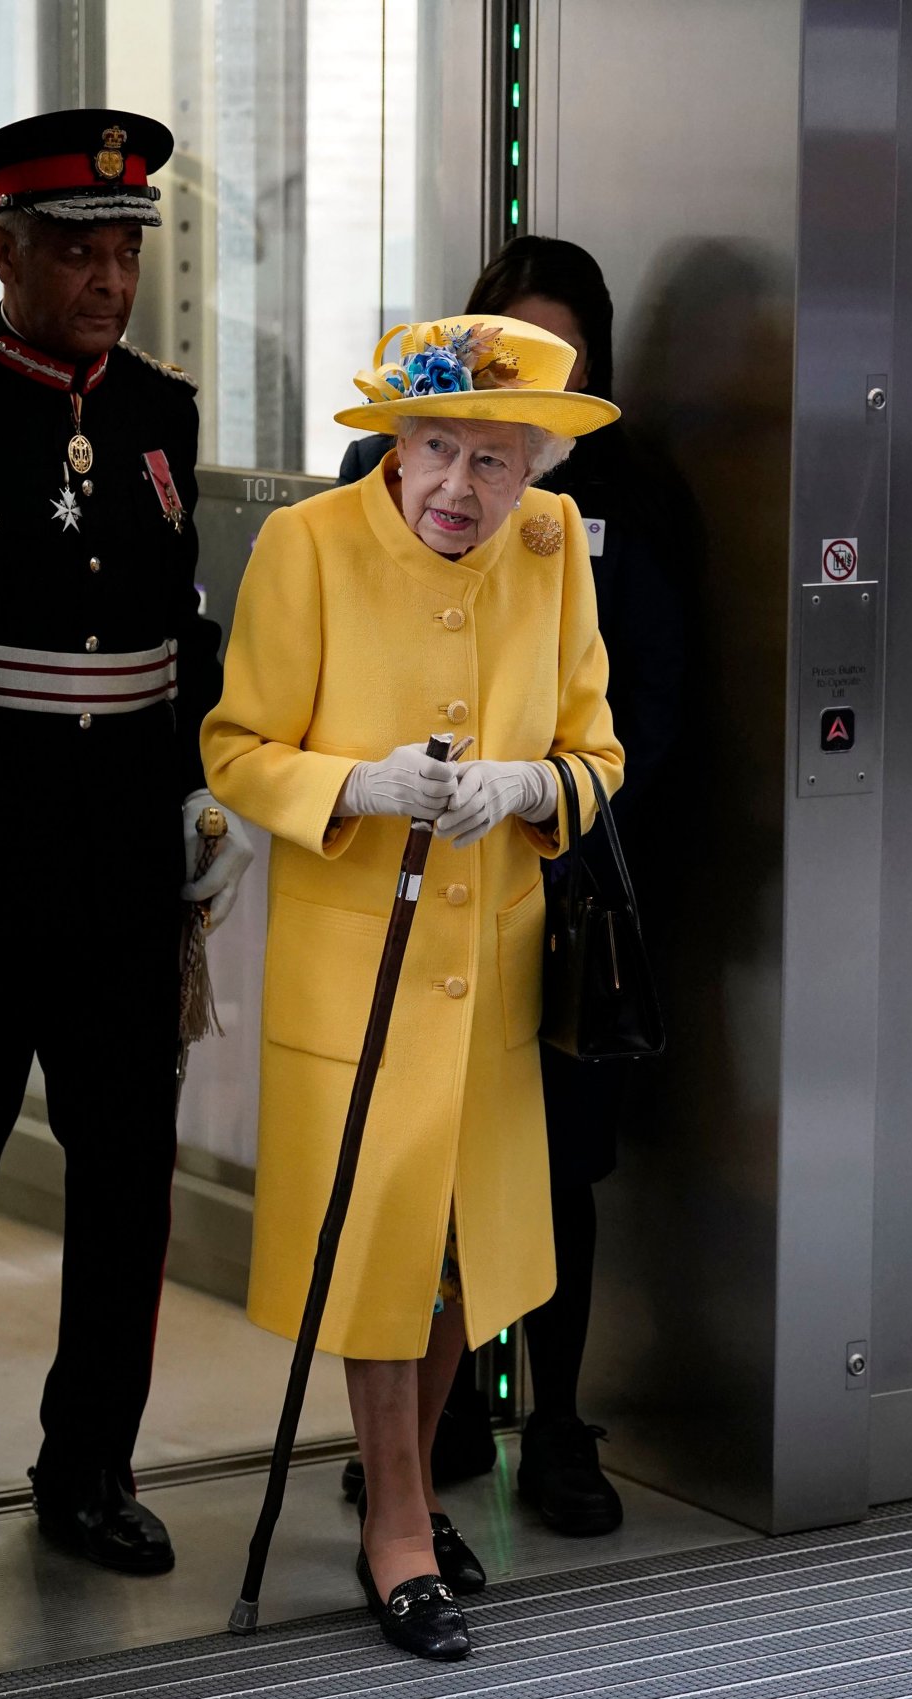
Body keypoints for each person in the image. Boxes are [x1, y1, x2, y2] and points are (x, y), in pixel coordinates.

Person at [202, 315, 622, 1659]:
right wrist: (356, 785)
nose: (461, 488)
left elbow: (596, 751)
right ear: (397, 442)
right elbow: (235, 748)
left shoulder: (553, 561)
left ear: (537, 471)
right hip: (356, 969)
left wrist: (526, 788)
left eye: (497, 463)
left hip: (489, 968)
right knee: (382, 1244)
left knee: (459, 1253)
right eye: (439, 448)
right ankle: (397, 1524)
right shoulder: (307, 547)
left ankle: (411, 1491)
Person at [339, 238, 689, 1536]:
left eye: (563, 363)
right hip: (412, 884)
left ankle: (555, 1421)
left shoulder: (634, 500)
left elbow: (649, 704)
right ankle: (410, 1444)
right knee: (415, 1173)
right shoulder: (396, 477)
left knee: (554, 1169)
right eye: (508, 354)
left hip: (566, 884)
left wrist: (551, 800)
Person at [0, 109, 253, 1572]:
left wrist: (207, 780)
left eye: (124, 247)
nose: (107, 275)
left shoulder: (157, 410)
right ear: (2, 246)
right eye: (75, 247)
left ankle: (88, 1466)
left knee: (127, 1180)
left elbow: (175, 629)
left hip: (126, 877)